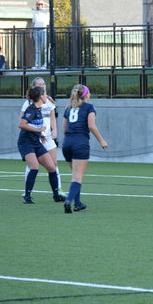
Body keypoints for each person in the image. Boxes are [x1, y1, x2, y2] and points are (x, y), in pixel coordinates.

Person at [61, 84, 109, 213]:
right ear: (86, 95)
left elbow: (64, 129)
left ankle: (78, 204)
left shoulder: (68, 108)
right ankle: (68, 201)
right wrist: (102, 140)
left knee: (75, 175)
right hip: (80, 143)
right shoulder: (89, 107)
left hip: (67, 143)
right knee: (77, 177)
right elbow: (91, 126)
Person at [17, 86, 66, 204]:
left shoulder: (39, 110)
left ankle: (56, 196)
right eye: (44, 94)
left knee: (52, 167)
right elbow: (21, 124)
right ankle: (27, 197)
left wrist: (41, 134)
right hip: (26, 143)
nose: (46, 96)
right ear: (40, 96)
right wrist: (38, 130)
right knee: (34, 167)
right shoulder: (31, 110)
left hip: (36, 142)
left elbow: (34, 125)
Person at [21, 77, 61, 191]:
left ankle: (58, 189)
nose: (42, 86)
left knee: (54, 163)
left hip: (47, 136)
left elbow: (52, 117)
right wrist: (36, 131)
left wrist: (54, 130)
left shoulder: (49, 101)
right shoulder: (28, 103)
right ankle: (27, 191)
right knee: (32, 165)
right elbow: (22, 121)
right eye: (39, 84)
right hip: (34, 137)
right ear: (34, 87)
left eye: (43, 84)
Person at [32, 0, 50, 69]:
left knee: (45, 48)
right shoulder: (35, 12)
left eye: (41, 4)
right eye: (38, 4)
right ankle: (37, 65)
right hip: (36, 31)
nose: (39, 5)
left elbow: (53, 8)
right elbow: (33, 22)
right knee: (37, 49)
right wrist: (31, 32)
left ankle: (45, 64)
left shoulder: (46, 11)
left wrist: (44, 3)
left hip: (44, 30)